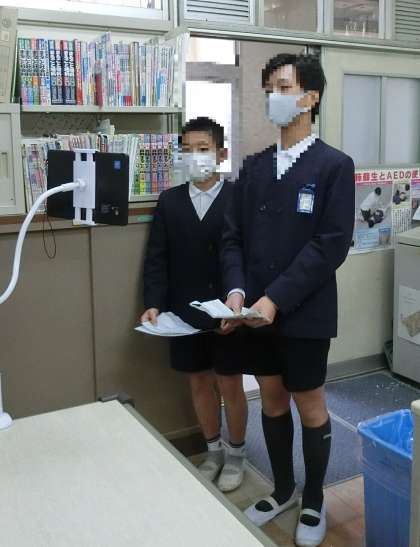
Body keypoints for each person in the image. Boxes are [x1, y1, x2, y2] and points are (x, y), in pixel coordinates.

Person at [220, 53, 355, 546]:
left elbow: (330, 244)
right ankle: (282, 490)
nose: (273, 97)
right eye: (270, 89)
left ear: (310, 97)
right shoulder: (254, 168)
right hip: (255, 312)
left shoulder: (334, 166)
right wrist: (237, 291)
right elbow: (232, 238)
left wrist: (276, 298)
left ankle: (314, 499)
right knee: (272, 398)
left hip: (305, 311)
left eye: (283, 87)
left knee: (309, 403)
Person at [141, 117, 247, 492]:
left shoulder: (238, 198)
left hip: (227, 312)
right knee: (199, 381)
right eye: (186, 150)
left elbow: (246, 256)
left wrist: (240, 301)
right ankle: (213, 451)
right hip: (183, 312)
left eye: (202, 149)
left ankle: (237, 454)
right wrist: (153, 303)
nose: (194, 156)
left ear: (221, 153)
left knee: (230, 383)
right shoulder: (170, 201)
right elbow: (157, 259)